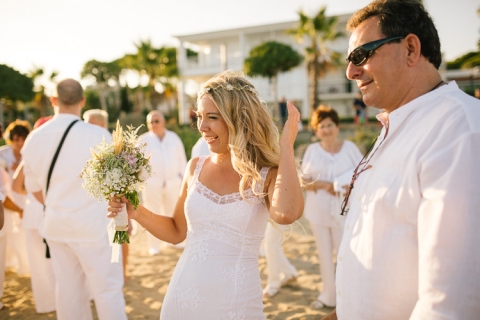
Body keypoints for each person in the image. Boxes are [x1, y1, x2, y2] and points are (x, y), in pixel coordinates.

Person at [323, 1, 480, 319]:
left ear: (410, 48)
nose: (351, 71)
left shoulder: (460, 130)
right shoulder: (396, 126)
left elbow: (451, 302)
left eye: (360, 56)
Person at [108, 70, 304, 319]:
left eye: (212, 117)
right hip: (182, 296)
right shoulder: (195, 167)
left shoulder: (266, 173)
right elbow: (177, 231)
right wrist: (136, 212)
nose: (202, 127)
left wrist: (286, 146)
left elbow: (287, 214)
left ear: (238, 118)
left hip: (237, 303)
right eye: (200, 116)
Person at [21, 79, 127, 320]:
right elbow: (118, 186)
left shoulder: (34, 138)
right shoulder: (100, 135)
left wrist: (58, 203)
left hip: (57, 227)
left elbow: (34, 190)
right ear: (83, 101)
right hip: (95, 228)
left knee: (69, 292)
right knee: (107, 291)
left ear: (54, 100)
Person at [300, 105, 362, 310]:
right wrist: (325, 186)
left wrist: (347, 188)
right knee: (324, 255)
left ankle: (350, 296)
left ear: (336, 126)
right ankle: (328, 296)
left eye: (329, 125)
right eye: (321, 126)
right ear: (316, 131)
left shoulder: (350, 148)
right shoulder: (312, 150)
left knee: (345, 255)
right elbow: (303, 181)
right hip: (318, 212)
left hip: (344, 212)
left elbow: (363, 175)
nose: (326, 130)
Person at [11, 116, 56, 314]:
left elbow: (15, 185)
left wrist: (29, 194)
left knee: (38, 264)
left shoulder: (30, 153)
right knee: (59, 262)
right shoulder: (59, 153)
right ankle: (60, 301)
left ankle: (46, 304)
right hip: (53, 212)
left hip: (33, 213)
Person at [139, 110, 187, 255]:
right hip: (152, 184)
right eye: (150, 122)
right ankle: (154, 246)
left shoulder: (173, 138)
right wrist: (144, 180)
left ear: (163, 122)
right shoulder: (142, 140)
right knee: (151, 214)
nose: (153, 124)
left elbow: (182, 159)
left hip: (173, 183)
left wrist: (181, 178)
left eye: (156, 121)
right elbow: (136, 164)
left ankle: (174, 241)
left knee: (172, 212)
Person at [0, 120, 31, 279]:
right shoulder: (3, 153)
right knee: (8, 230)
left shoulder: (30, 152)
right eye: (16, 139)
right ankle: (9, 263)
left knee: (22, 231)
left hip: (23, 195)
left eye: (23, 138)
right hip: (6, 198)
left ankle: (23, 264)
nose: (20, 142)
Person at [261, 222, 298, 298]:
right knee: (268, 242)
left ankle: (273, 284)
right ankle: (288, 272)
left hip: (278, 211)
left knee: (271, 243)